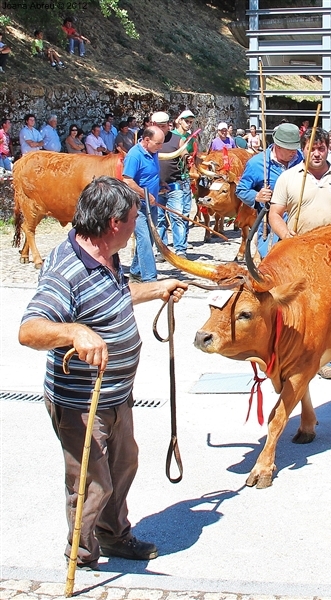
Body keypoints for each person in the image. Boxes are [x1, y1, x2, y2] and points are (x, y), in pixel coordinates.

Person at [18, 176, 187, 571]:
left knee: (123, 464)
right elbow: (30, 329)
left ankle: (114, 536)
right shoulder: (67, 270)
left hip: (116, 393)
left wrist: (157, 288)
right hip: (82, 402)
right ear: (114, 222)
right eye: (134, 217)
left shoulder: (105, 254)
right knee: (91, 484)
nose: (137, 224)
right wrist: (73, 331)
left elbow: (116, 296)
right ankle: (81, 551)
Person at [269, 127, 331, 381]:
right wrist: (286, 236)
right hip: (299, 252)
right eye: (311, 149)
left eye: (321, 148)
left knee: (330, 308)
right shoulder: (288, 177)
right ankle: (290, 350)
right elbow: (275, 213)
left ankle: (323, 359)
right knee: (295, 305)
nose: (316, 153)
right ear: (302, 149)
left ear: (328, 148)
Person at [236, 122, 303, 258]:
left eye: (295, 147)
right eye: (289, 149)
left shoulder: (302, 159)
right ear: (278, 146)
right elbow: (241, 189)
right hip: (271, 226)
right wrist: (257, 196)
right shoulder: (257, 163)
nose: (294, 152)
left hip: (300, 224)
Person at [123, 125, 165, 282]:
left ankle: (136, 271)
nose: (160, 147)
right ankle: (149, 278)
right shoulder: (134, 155)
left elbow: (152, 173)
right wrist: (145, 194)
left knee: (151, 238)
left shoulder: (153, 152)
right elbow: (127, 180)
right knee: (144, 240)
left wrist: (161, 183)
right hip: (137, 206)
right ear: (147, 140)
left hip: (152, 204)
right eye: (158, 143)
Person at [156, 111, 194, 259]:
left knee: (177, 217)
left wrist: (186, 156)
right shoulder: (149, 139)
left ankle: (180, 250)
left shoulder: (177, 138)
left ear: (168, 125)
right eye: (158, 126)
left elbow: (183, 151)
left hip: (174, 184)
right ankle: (162, 250)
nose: (161, 128)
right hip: (155, 186)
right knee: (159, 219)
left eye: (163, 126)